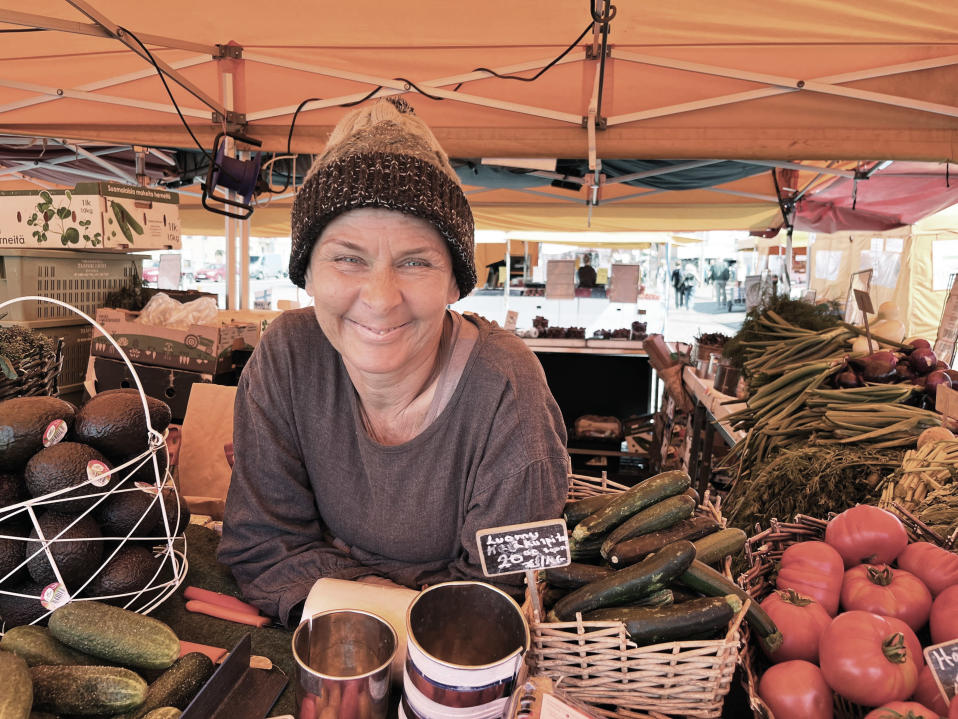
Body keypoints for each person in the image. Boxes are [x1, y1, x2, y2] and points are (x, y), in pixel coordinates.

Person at [216, 98, 571, 628]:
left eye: (415, 262)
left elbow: (505, 596)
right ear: (306, 274)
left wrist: (340, 582)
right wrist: (379, 594)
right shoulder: (288, 355)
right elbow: (261, 544)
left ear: (455, 283)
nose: (380, 300)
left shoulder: (507, 387)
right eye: (347, 258)